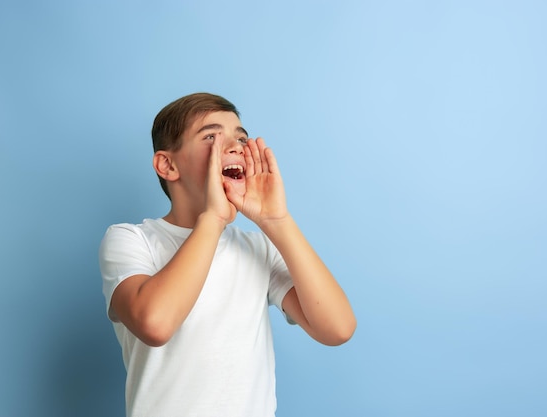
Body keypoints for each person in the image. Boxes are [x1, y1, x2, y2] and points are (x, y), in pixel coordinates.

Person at [99, 92, 356, 417]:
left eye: (240, 137)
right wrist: (212, 218)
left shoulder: (257, 248)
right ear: (168, 165)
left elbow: (338, 328)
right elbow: (156, 324)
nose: (234, 146)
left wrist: (277, 221)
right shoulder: (130, 240)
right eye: (211, 136)